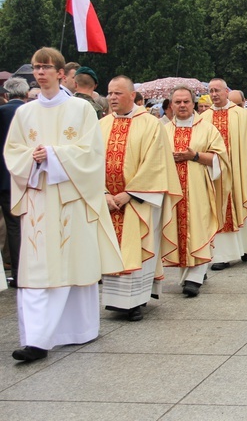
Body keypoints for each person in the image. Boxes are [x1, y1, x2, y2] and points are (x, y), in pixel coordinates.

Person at [5, 47, 123, 362]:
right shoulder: (24, 113)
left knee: (72, 266)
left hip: (72, 198)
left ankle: (78, 330)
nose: (39, 72)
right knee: (39, 271)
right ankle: (37, 339)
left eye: (45, 67)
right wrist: (33, 158)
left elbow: (92, 154)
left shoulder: (81, 110)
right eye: (35, 67)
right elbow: (13, 151)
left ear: (61, 73)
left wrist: (54, 154)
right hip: (39, 197)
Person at [100, 75, 182, 321]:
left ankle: (135, 301)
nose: (113, 97)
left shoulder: (149, 123)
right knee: (113, 248)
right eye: (110, 93)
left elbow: (155, 164)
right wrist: (103, 193)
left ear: (132, 96)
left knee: (139, 246)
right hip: (108, 201)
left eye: (118, 93)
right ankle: (114, 301)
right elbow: (90, 162)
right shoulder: (101, 124)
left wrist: (128, 193)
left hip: (138, 200)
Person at [163, 86, 228, 297]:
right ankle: (190, 272)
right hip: (172, 189)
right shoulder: (163, 130)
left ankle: (195, 277)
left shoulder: (207, 129)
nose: (182, 105)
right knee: (177, 228)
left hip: (198, 188)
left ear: (193, 103)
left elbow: (221, 159)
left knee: (198, 226)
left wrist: (195, 156)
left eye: (186, 102)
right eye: (177, 102)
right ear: (171, 105)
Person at [202, 78, 247, 271]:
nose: (214, 94)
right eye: (211, 91)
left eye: (217, 90)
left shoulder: (240, 115)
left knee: (241, 201)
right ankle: (222, 256)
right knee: (219, 208)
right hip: (215, 172)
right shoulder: (204, 117)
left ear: (227, 92)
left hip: (238, 170)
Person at [0, 77, 28, 288]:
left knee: (12, 227)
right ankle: (21, 273)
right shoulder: (30, 113)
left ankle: (14, 273)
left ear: (7, 94)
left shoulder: (3, 112)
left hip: (4, 175)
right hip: (21, 177)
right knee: (18, 226)